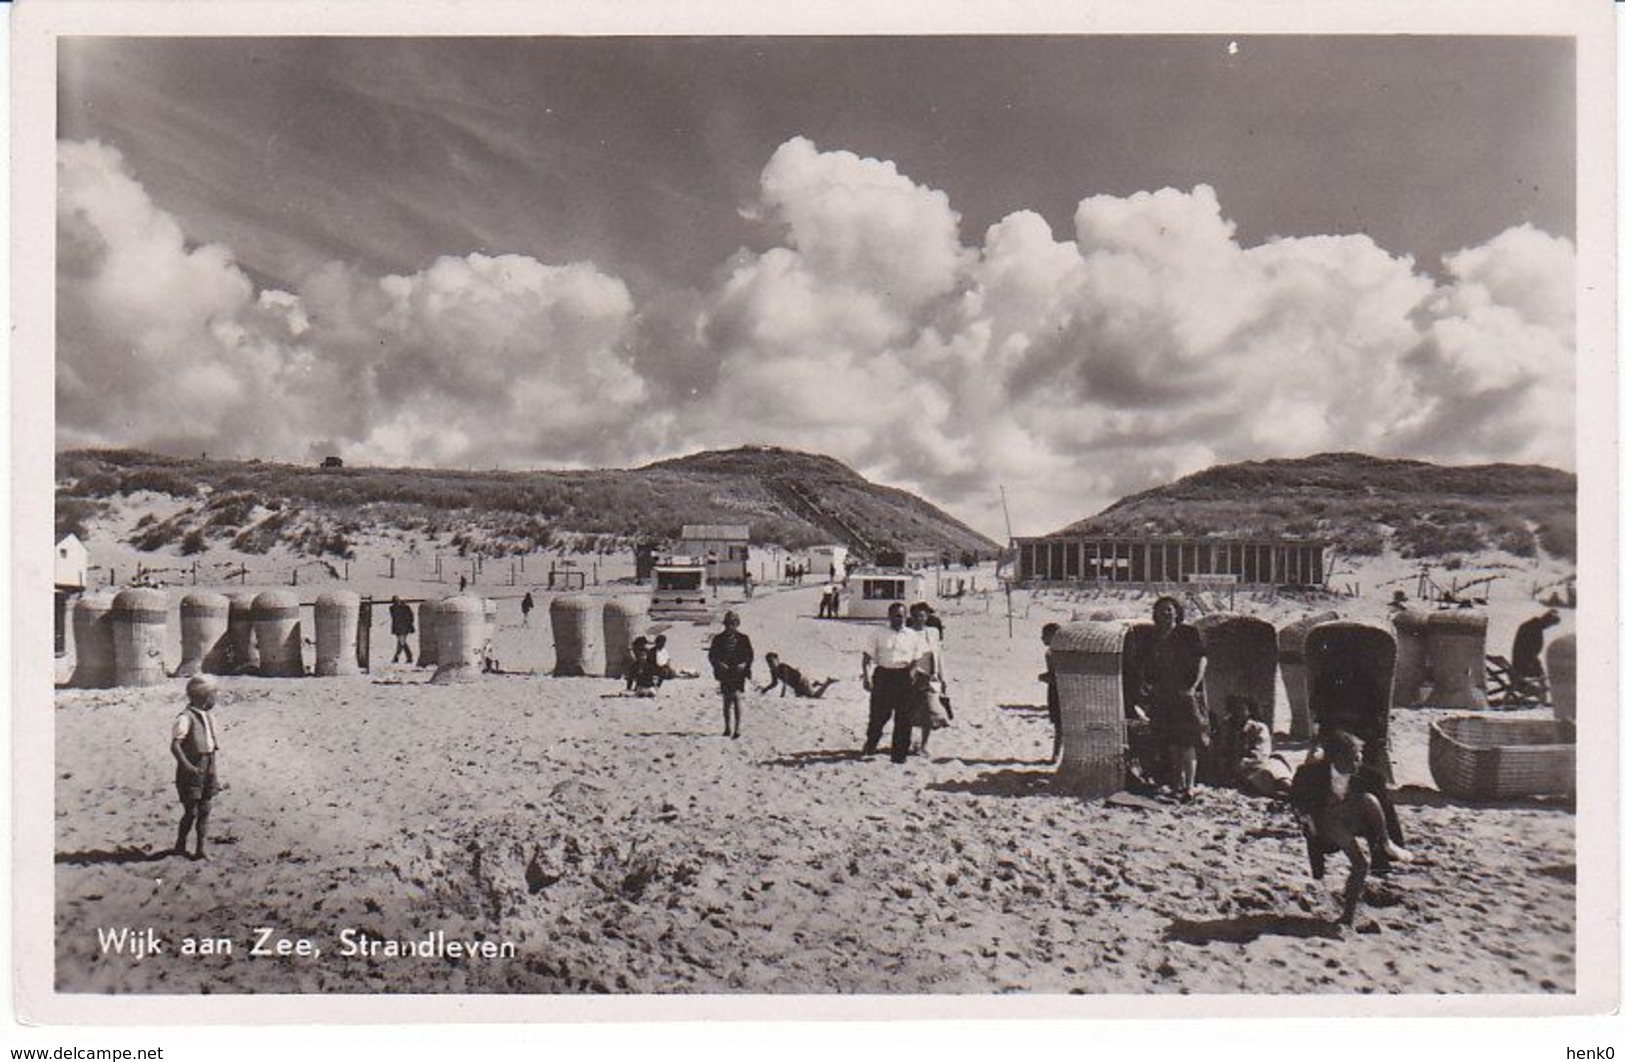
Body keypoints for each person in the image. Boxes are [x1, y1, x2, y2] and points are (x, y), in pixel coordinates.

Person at [1288, 730, 1413, 925]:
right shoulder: (1309, 773)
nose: (1359, 763)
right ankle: (1348, 914)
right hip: (1326, 823)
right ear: (1337, 758)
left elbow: (1386, 810)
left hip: (1353, 817)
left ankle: (1386, 844)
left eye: (1359, 758)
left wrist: (1390, 844)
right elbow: (1296, 800)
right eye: (1354, 759)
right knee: (1361, 864)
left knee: (1369, 799)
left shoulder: (1370, 776)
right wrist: (1307, 821)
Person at [1143, 595, 1207, 803]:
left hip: (1184, 694)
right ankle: (1176, 784)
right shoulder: (1153, 637)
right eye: (1162, 610)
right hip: (1162, 696)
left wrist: (1193, 686)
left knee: (1187, 742)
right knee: (1170, 743)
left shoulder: (1188, 633)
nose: (1166, 613)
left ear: (1177, 612)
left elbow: (1202, 659)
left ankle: (1189, 786)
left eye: (1169, 609)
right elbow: (1145, 666)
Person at [861, 602, 927, 763]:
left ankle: (899, 754)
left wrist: (912, 673)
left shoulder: (912, 635)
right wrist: (867, 677)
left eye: (902, 616)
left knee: (904, 718)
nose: (899, 619)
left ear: (906, 617)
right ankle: (871, 745)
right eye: (896, 615)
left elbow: (917, 658)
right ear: (889, 616)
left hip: (904, 677)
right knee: (878, 716)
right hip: (884, 675)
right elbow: (867, 658)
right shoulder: (878, 633)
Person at [171, 676, 222, 861]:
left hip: (208, 765)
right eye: (213, 694)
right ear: (204, 696)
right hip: (192, 768)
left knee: (205, 808)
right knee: (191, 811)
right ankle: (180, 844)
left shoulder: (209, 717)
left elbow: (210, 746)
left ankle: (201, 849)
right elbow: (175, 746)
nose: (215, 698)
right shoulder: (185, 718)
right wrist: (187, 766)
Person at [1229, 695, 1293, 799]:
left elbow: (1261, 753)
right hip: (1242, 770)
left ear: (1249, 711)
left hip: (1258, 762)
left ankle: (1294, 792)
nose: (1238, 713)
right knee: (1259, 780)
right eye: (1234, 709)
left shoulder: (1259, 728)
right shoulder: (1227, 727)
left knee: (1276, 774)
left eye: (1241, 709)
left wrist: (1244, 762)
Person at [707, 611, 754, 738]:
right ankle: (727, 727)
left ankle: (737, 729)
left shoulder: (744, 638)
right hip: (725, 672)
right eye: (728, 624)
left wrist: (744, 664)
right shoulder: (718, 639)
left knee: (737, 697)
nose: (730, 626)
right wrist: (719, 664)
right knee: (727, 700)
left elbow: (749, 655)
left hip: (738, 672)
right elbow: (712, 656)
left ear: (737, 624)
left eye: (733, 624)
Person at [1510, 608, 1562, 693]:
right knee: (1542, 675)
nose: (1548, 627)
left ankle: (1544, 689)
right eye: (1550, 625)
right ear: (1547, 621)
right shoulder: (1534, 629)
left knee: (1541, 673)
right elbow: (1528, 652)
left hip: (1521, 662)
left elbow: (1530, 652)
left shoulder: (1533, 626)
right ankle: (1544, 693)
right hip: (1522, 665)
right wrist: (1539, 669)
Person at [760, 652, 839, 698]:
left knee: (814, 696)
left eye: (772, 661)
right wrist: (765, 689)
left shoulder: (782, 667)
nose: (771, 664)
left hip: (801, 681)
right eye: (769, 662)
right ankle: (814, 684)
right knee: (801, 695)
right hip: (796, 685)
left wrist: (782, 695)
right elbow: (774, 683)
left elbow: (785, 681)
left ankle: (828, 682)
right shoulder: (773, 671)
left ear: (777, 661)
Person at [1039, 622, 1062, 763]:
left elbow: (1059, 676)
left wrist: (1046, 677)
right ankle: (1056, 755)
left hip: (1058, 691)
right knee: (1058, 725)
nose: (1042, 639)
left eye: (1045, 636)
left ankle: (1056, 756)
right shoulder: (1051, 653)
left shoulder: (1057, 654)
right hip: (1054, 691)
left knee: (1060, 725)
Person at [389, 596, 415, 664]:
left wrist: (409, 624)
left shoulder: (405, 607)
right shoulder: (392, 608)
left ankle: (397, 657)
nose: (396, 603)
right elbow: (394, 619)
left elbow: (411, 616)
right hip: (398, 628)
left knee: (401, 642)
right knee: (402, 643)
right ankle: (409, 657)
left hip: (404, 627)